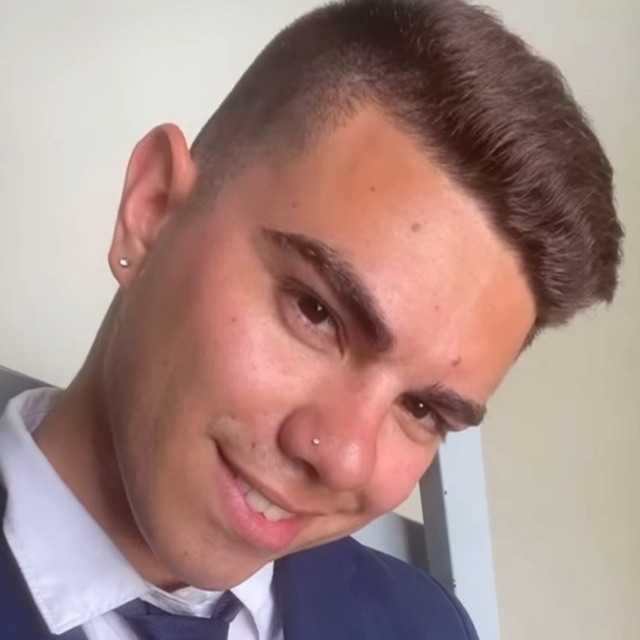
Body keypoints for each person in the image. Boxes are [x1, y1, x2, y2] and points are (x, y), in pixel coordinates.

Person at [0, 0, 623, 638]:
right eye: (317, 312)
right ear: (152, 210)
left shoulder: (428, 626)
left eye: (421, 409)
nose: (345, 460)